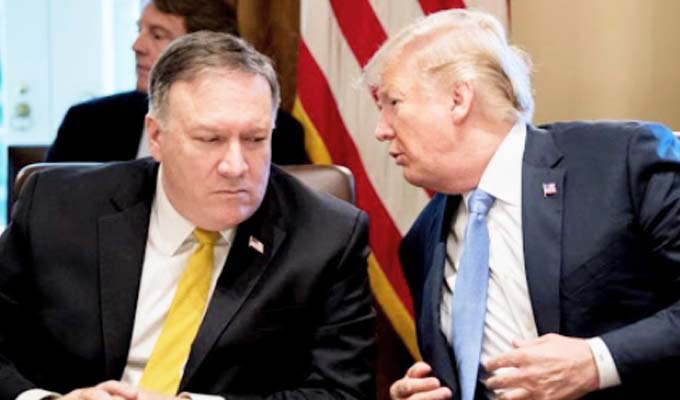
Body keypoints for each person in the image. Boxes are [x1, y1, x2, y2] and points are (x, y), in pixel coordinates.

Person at [0, 31, 374, 400]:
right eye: (210, 139)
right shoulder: (58, 206)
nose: (236, 166)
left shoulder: (327, 236)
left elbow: (342, 391)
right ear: (156, 137)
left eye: (255, 139)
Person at [361, 8, 680, 400]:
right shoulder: (421, 240)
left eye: (393, 103)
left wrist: (596, 362)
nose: (381, 130)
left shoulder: (621, 163)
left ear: (458, 99)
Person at [45, 0, 308, 166]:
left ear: (205, 51)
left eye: (157, 35)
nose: (137, 46)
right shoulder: (87, 123)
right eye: (140, 30)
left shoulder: (276, 134)